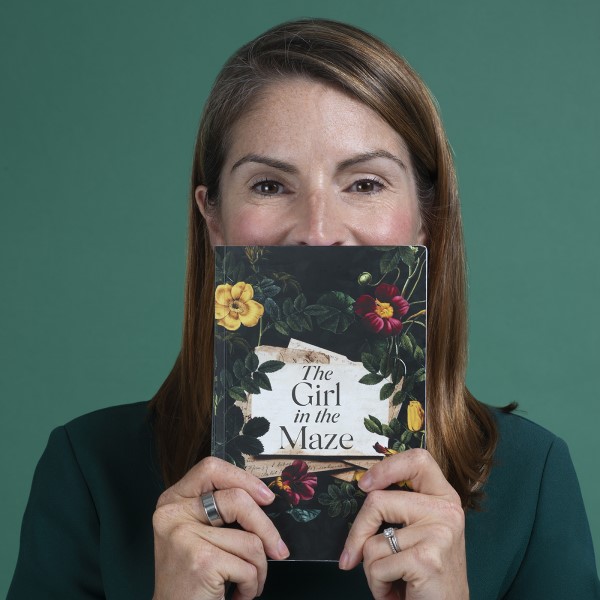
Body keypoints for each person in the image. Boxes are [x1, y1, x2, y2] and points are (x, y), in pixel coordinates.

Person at [8, 18, 600, 600]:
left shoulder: (532, 476)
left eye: (365, 184)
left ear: (426, 220)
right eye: (268, 185)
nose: (317, 232)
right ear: (214, 219)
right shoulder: (89, 469)